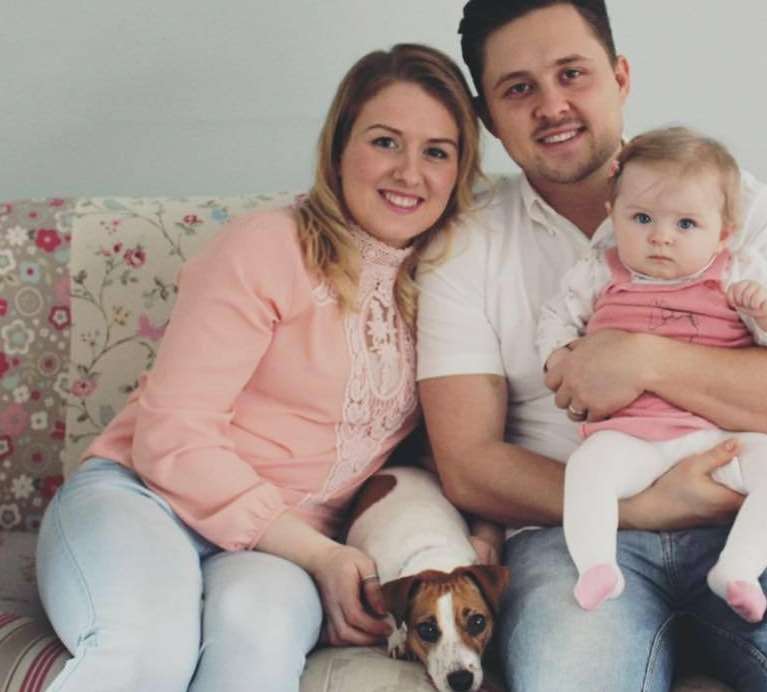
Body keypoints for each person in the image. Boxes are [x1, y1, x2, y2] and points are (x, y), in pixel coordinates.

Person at [416, 1, 767, 690]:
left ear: (619, 76)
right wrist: (638, 508)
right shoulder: (464, 246)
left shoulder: (737, 207)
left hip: (738, 514)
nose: (552, 105)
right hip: (569, 535)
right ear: (487, 115)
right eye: (518, 88)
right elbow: (468, 464)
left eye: (572, 73)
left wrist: (645, 359)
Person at [35, 43, 483, 692]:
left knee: (259, 644)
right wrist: (323, 557)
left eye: (437, 152)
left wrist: (487, 534)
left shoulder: (447, 288)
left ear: (459, 171)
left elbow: (460, 448)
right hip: (145, 500)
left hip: (277, 550)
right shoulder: (267, 246)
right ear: (338, 148)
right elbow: (171, 437)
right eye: (386, 142)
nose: (410, 172)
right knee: (146, 650)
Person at [536, 126, 767, 620]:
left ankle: (740, 567)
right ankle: (597, 565)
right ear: (612, 216)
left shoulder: (737, 270)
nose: (661, 236)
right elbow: (556, 316)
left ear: (723, 232)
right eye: (641, 218)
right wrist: (557, 355)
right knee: (588, 469)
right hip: (632, 437)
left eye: (686, 224)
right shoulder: (600, 270)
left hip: (720, 437)